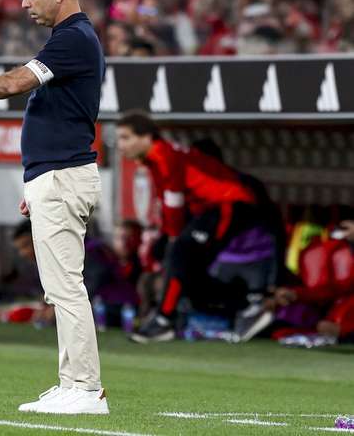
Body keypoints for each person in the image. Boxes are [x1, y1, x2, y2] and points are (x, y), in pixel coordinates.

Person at [0, 0, 108, 415]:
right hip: (54, 176)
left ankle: (85, 388)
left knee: (66, 287)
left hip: (63, 177)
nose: (23, 3)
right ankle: (71, 383)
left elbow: (19, 81)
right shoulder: (70, 41)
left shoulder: (73, 39)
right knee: (60, 288)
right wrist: (38, 180)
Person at [114, 112, 269, 343]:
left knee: (180, 252)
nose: (120, 145)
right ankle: (248, 304)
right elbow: (168, 201)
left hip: (229, 203)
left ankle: (164, 320)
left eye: (126, 138)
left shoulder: (163, 154)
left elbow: (174, 198)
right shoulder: (155, 158)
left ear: (146, 137)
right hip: (214, 208)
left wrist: (174, 235)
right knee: (185, 264)